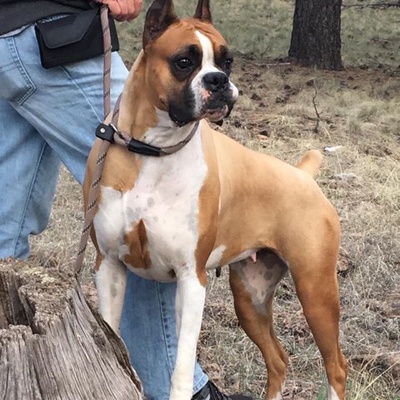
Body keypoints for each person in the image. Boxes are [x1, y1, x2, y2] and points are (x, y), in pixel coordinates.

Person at [0, 1, 253, 399]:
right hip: (52, 35)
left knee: (5, 231)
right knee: (151, 209)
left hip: (9, 37)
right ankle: (172, 389)